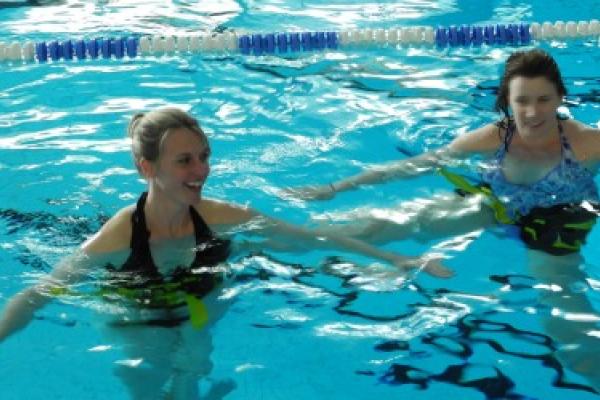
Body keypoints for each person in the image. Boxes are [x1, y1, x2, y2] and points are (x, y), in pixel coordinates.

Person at [0, 107, 452, 400]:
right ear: (146, 167)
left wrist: (401, 261)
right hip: (135, 307)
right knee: (146, 375)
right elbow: (37, 294)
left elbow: (311, 239)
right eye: (185, 161)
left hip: (202, 299)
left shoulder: (220, 216)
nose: (202, 170)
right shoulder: (118, 235)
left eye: (204, 156)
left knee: (194, 364)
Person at [286, 49, 600, 392]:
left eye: (543, 99)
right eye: (522, 100)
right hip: (495, 202)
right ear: (506, 101)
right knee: (394, 223)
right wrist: (335, 188)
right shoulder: (493, 137)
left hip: (557, 220)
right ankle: (285, 242)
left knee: (563, 308)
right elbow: (414, 165)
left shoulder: (588, 143)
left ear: (560, 98)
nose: (532, 112)